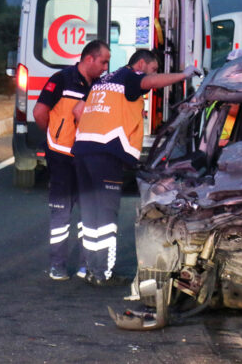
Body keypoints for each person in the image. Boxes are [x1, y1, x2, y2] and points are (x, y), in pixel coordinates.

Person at [72, 50, 202, 286]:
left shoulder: (103, 81)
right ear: (141, 64)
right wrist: (183, 75)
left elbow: (77, 111)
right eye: (153, 68)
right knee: (106, 215)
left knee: (90, 213)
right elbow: (150, 81)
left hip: (82, 151)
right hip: (106, 154)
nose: (152, 75)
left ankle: (92, 269)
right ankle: (103, 274)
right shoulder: (129, 77)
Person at [33, 40, 111, 281]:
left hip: (87, 158)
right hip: (62, 157)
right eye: (103, 61)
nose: (106, 67)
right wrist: (53, 137)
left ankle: (86, 266)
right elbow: (39, 112)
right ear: (89, 59)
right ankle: (57, 265)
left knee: (89, 214)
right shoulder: (61, 79)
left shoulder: (99, 85)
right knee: (61, 213)